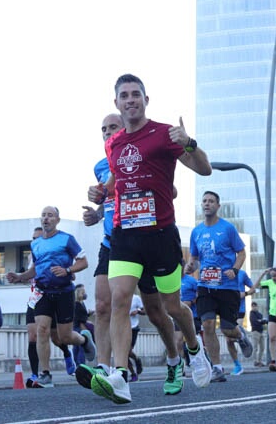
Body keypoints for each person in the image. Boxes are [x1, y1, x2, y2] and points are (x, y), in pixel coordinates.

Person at [87, 74, 214, 405]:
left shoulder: (163, 134)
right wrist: (102, 192)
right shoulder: (113, 144)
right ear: (116, 103)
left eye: (136, 94)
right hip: (126, 234)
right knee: (119, 300)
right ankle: (120, 376)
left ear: (146, 99)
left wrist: (189, 142)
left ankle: (194, 348)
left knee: (173, 306)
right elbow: (118, 179)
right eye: (124, 95)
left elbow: (205, 169)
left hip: (160, 234)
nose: (130, 100)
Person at [77, 113, 177, 394]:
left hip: (147, 240)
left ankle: (174, 357)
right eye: (103, 129)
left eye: (113, 127)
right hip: (115, 241)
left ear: (126, 130)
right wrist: (97, 214)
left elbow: (170, 190)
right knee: (103, 305)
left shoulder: (143, 153)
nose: (107, 133)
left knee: (158, 312)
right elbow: (109, 201)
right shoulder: (100, 165)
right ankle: (104, 368)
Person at [6, 206, 94, 387]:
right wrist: (20, 277)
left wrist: (67, 270)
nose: (46, 218)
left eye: (50, 215)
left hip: (63, 292)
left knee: (65, 337)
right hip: (43, 292)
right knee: (42, 330)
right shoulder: (35, 244)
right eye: (43, 215)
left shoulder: (66, 239)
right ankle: (45, 374)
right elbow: (35, 269)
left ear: (57, 220)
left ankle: (84, 339)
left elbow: (84, 262)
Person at [189, 190, 253, 383]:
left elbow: (241, 253)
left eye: (211, 201)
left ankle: (240, 336)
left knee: (227, 329)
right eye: (204, 201)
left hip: (227, 286)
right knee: (207, 325)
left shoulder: (227, 229)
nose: (207, 204)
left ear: (218, 206)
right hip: (205, 286)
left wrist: (234, 269)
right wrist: (191, 265)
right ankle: (217, 368)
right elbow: (194, 257)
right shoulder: (196, 232)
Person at [226, 265, 255, 376]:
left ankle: (241, 337)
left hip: (239, 309)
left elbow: (253, 289)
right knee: (229, 339)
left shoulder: (242, 274)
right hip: (226, 310)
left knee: (233, 332)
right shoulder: (223, 272)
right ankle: (237, 365)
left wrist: (243, 294)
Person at [257, 266, 276, 371]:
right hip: (273, 314)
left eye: (275, 275)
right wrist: (263, 273)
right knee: (272, 337)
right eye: (272, 275)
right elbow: (255, 286)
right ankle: (273, 361)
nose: (273, 277)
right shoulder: (269, 282)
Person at [248, 301, 266, 367]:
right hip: (255, 331)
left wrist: (260, 321)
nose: (254, 307)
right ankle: (255, 361)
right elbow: (254, 322)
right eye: (253, 306)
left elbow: (263, 321)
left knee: (262, 347)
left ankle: (259, 361)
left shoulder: (259, 314)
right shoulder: (252, 313)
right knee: (255, 347)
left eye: (255, 306)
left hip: (261, 331)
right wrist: (260, 321)